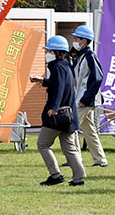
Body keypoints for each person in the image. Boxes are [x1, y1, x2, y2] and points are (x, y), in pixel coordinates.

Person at [30, 35, 86, 186]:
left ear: (58, 52)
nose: (47, 53)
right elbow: (60, 84)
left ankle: (55, 175)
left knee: (42, 144)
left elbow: (59, 89)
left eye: (49, 50)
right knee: (70, 149)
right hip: (69, 116)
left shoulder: (56, 67)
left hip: (57, 116)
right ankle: (78, 178)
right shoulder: (66, 65)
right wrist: (42, 81)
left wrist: (54, 108)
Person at [69, 25, 108, 167]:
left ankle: (75, 159)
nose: (74, 41)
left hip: (87, 100)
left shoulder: (90, 56)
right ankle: (101, 160)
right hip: (84, 99)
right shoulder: (81, 57)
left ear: (84, 41)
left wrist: (85, 100)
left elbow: (98, 78)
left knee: (71, 126)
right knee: (89, 130)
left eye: (76, 39)